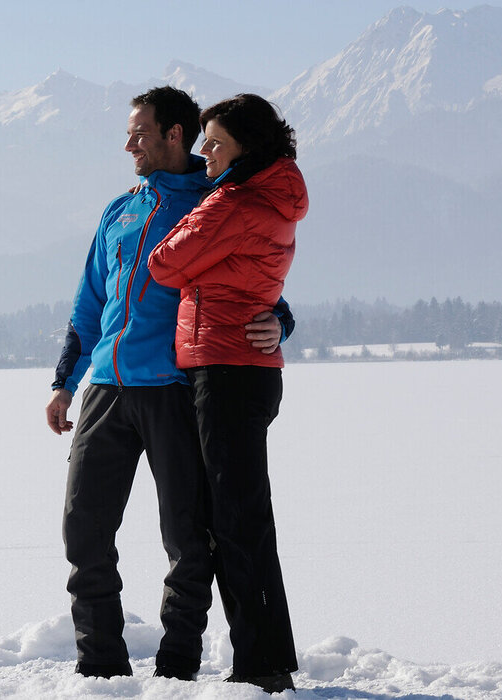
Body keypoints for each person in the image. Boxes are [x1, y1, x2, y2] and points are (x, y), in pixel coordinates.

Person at [47, 86, 291, 681]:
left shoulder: (214, 201)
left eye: (139, 132)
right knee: (83, 530)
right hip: (107, 387)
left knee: (188, 538)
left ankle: (177, 666)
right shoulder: (119, 210)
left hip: (175, 390)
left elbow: (257, 277)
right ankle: (100, 666)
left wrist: (280, 320)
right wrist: (64, 382)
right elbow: (89, 304)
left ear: (174, 134)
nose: (129, 144)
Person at [147, 93, 305, 694]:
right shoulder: (267, 194)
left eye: (214, 142)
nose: (204, 152)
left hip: (227, 369)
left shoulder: (235, 201)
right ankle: (262, 658)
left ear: (246, 146)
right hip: (241, 368)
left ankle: (263, 667)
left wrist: (200, 228)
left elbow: (165, 263)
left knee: (237, 520)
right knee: (239, 516)